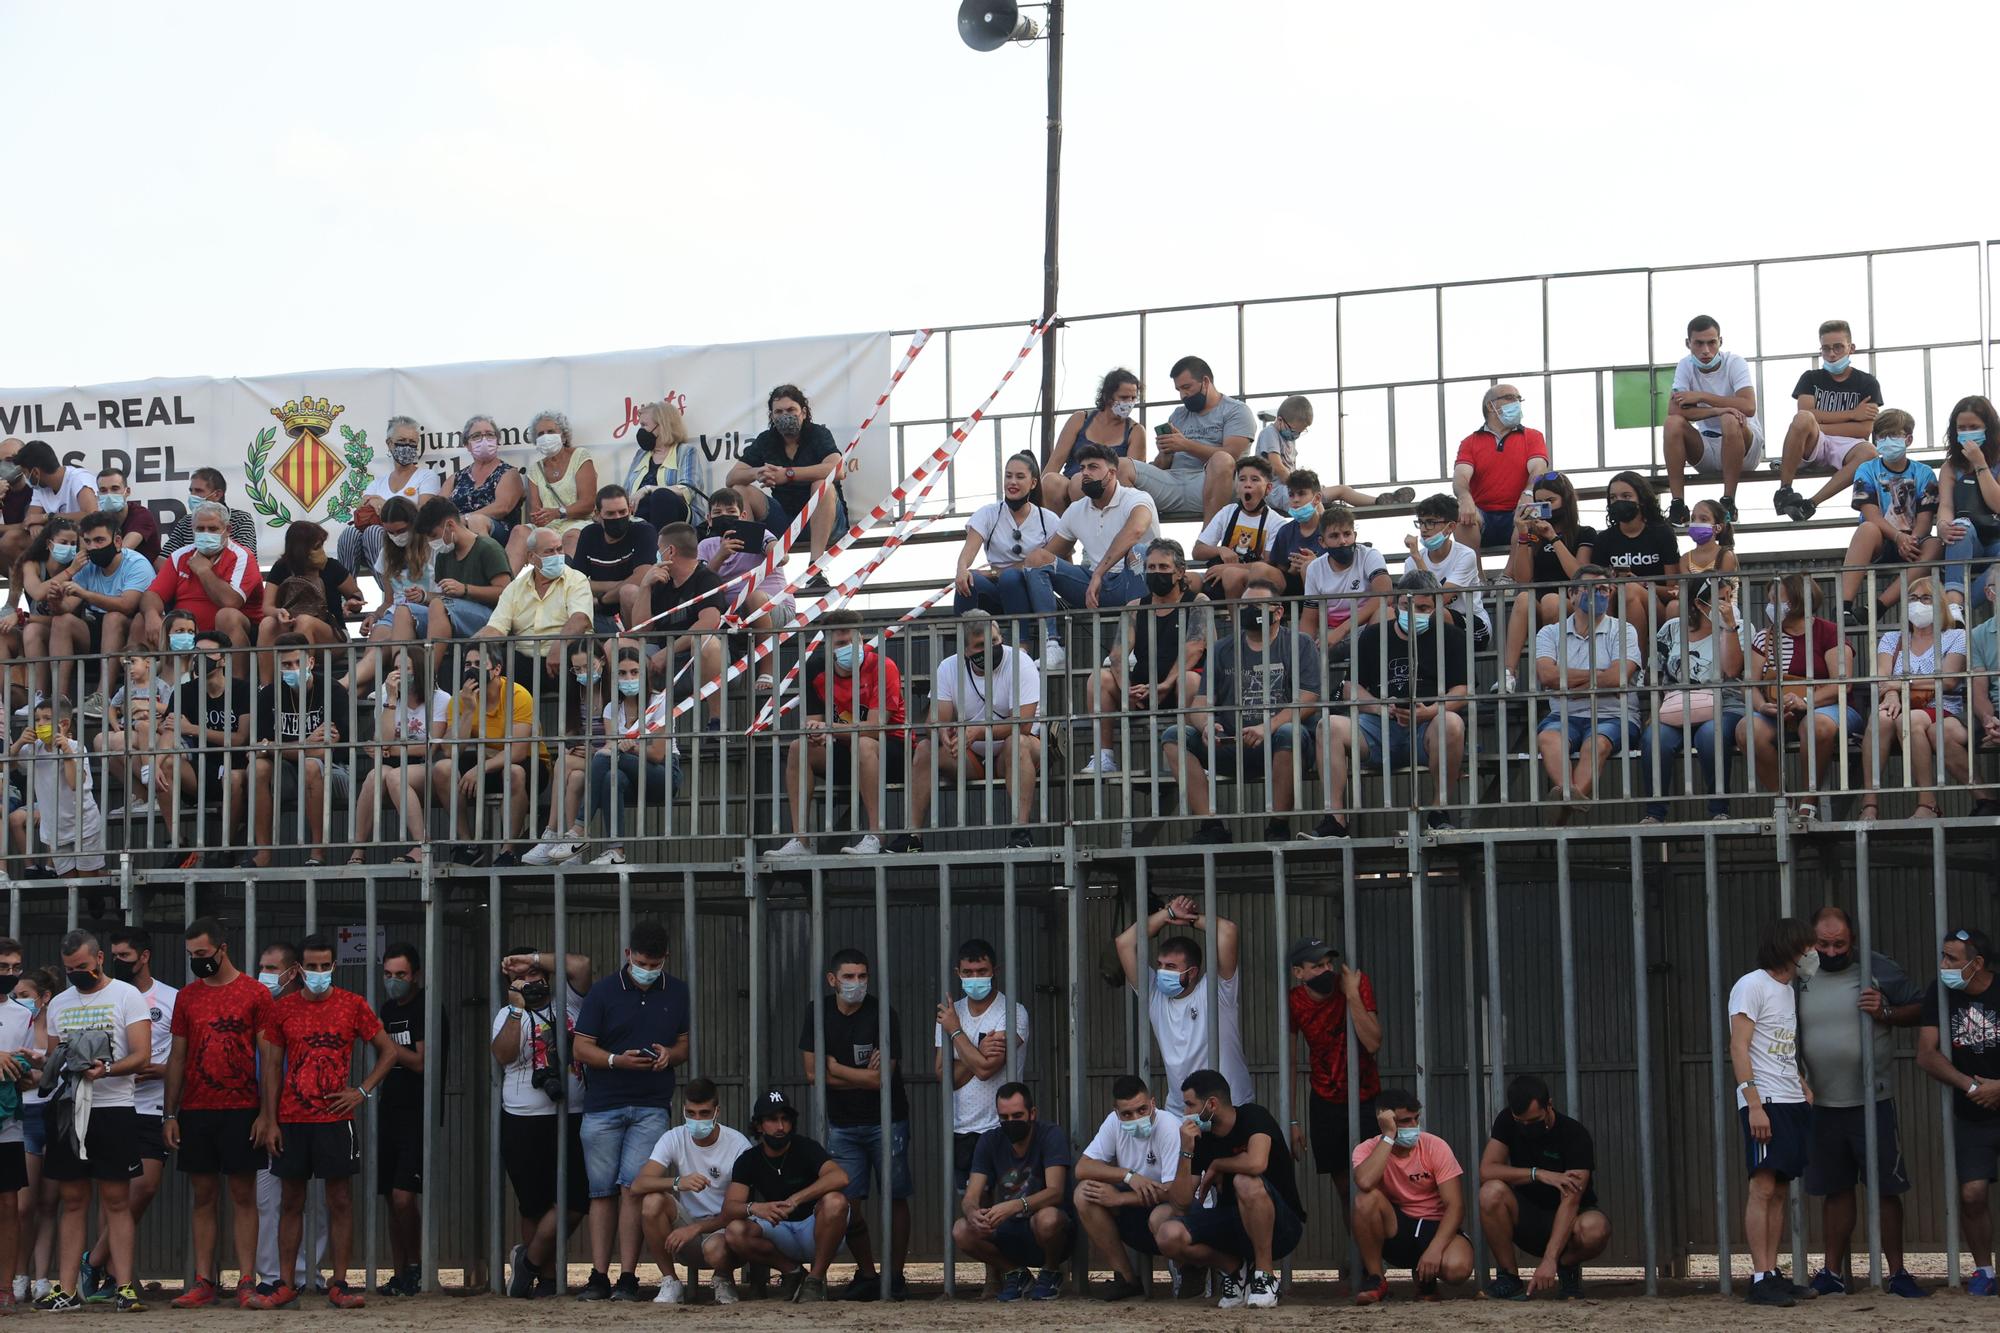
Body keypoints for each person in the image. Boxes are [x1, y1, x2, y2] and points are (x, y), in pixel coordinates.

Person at [257, 933, 397, 1309]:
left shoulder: (353, 1005)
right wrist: (270, 1119)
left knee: (339, 1200)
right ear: (299, 969)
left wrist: (362, 1091)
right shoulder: (282, 1009)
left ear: (334, 966)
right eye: (311, 966)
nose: (318, 973)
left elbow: (388, 1051)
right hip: (291, 1119)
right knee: (291, 1200)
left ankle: (339, 1283)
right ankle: (286, 1283)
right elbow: (271, 1067)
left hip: (337, 1118)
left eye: (324, 966)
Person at [1795, 907, 1926, 1298]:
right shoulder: (1800, 972)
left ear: (1854, 940)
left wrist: (1887, 1012)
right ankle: (1833, 1273)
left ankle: (1898, 1273)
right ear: (1810, 941)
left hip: (1873, 1100)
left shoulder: (1878, 968)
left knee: (1885, 1189)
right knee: (1834, 1190)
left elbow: (1921, 1007)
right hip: (1820, 1103)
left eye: (1840, 944)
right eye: (1823, 944)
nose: (1832, 951)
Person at [569, 921, 691, 1302]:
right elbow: (580, 1048)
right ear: (628, 956)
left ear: (665, 960)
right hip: (603, 1105)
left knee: (633, 1190)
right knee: (602, 1192)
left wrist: (671, 1055)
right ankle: (599, 1276)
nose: (648, 970)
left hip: (652, 1105)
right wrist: (614, 1060)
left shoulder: (679, 991)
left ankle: (627, 1277)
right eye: (641, 962)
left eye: (654, 965)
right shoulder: (604, 991)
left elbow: (684, 1044)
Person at [36, 929, 152, 1313]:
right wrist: (39, 1066)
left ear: (100, 958)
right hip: (70, 1110)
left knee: (117, 1200)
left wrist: (108, 1070)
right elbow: (54, 1059)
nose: (77, 974)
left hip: (113, 1108)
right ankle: (66, 1290)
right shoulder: (59, 1003)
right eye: (70, 969)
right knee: (72, 1200)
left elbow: (142, 1056)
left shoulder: (126, 995)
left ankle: (125, 1287)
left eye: (83, 967)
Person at [1158, 578, 1322, 844]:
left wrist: (1267, 726)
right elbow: (1199, 705)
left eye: (1256, 605)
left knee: (1290, 732)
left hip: (1280, 742)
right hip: (1230, 743)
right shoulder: (1222, 649)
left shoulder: (1299, 644)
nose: (1248, 611)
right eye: (1244, 605)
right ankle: (1212, 826)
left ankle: (1277, 826)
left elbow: (1308, 698)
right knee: (1173, 735)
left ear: (1278, 611)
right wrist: (1206, 726)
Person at [165, 918, 275, 1309]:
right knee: (203, 1195)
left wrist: (267, 1113)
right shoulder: (187, 997)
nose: (198, 961)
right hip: (196, 1108)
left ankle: (247, 1280)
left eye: (203, 954)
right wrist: (170, 1113)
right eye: (192, 955)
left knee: (243, 1194)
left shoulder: (255, 994)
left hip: (242, 1108)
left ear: (222, 948)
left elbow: (268, 1056)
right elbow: (176, 1057)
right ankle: (203, 1279)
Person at [1318, 570, 1469, 838]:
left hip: (1428, 728)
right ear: (1396, 603)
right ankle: (1335, 820)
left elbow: (1463, 689)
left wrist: (1429, 712)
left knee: (1452, 723)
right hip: (1377, 726)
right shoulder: (1373, 636)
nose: (1414, 612)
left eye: (1423, 607)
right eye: (1407, 606)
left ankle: (1439, 811)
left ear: (1435, 606)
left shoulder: (1451, 636)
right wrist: (1380, 707)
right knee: (1327, 726)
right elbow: (1351, 687)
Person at [799, 948, 911, 1300]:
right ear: (832, 980)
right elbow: (811, 1074)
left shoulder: (882, 1013)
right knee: (848, 1201)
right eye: (849, 977)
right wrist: (858, 1075)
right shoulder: (818, 1013)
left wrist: (834, 1067)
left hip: (887, 1120)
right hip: (842, 1123)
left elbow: (882, 1081)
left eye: (862, 976)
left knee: (895, 1196)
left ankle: (895, 1277)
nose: (857, 984)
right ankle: (867, 1274)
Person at [76, 930, 175, 1304]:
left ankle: (95, 1258)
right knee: (113, 1195)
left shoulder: (170, 998)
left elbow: (182, 1054)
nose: (119, 961)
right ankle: (115, 1278)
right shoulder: (106, 994)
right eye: (114, 955)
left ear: (145, 956)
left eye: (126, 955)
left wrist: (164, 1070)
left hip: (150, 1107)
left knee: (144, 1187)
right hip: (112, 1104)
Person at [892, 612, 1043, 853]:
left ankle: (1021, 831)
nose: (989, 649)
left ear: (1000, 637)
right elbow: (936, 719)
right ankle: (912, 836)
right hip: (971, 753)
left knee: (1017, 741)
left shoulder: (1020, 662)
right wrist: (941, 732)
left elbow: (1023, 724)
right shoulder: (948, 667)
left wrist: (979, 732)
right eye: (980, 646)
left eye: (993, 642)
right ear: (964, 650)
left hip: (1019, 749)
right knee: (924, 748)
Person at [1155, 1069, 1304, 1310]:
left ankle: (1264, 1276)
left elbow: (1257, 1163)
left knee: (1245, 1181)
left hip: (1281, 1225)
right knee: (1167, 1235)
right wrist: (1186, 1151)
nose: (1185, 1114)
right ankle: (1236, 1272)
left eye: (1190, 1105)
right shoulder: (1200, 1138)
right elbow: (1181, 1202)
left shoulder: (1253, 1116)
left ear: (1211, 1104)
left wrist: (1218, 1164)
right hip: (1234, 1224)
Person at [492, 946, 593, 1299]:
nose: (530, 981)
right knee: (534, 1204)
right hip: (523, 1118)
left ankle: (529, 1261)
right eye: (520, 977)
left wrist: (532, 960)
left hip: (573, 1113)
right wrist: (518, 1010)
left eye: (535, 975)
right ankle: (546, 1279)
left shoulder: (569, 1003)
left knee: (577, 1200)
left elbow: (580, 964)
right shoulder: (507, 1013)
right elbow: (503, 1055)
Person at [1728, 915, 1818, 1308]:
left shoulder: (1788, 990)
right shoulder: (1752, 985)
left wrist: (1800, 1081)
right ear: (1789, 948)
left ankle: (1773, 1272)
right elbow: (1739, 1047)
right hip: (1765, 1102)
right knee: (1762, 1186)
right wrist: (1754, 1105)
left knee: (1780, 1188)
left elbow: (1778, 1044)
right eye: (1807, 947)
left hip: (1790, 1100)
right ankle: (1760, 1276)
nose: (1812, 954)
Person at [772, 611, 906, 857]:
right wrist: (817, 733)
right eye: (840, 644)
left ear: (861, 639)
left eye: (851, 642)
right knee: (798, 748)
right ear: (828, 645)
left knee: (864, 743)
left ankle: (875, 836)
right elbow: (813, 722)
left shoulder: (883, 666)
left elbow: (877, 728)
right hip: (844, 749)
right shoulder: (815, 668)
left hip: (891, 750)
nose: (848, 648)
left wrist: (830, 730)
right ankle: (801, 841)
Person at [1077, 539, 1209, 776]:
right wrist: (1127, 688)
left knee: (1189, 680)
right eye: (1151, 568)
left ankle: (1196, 757)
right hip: (1142, 690)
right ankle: (1104, 756)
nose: (1156, 573)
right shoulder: (1135, 607)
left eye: (1163, 568)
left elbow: (1195, 647)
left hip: (1181, 687)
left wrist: (1165, 685)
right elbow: (1117, 655)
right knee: (1099, 678)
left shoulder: (1197, 602)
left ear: (1179, 572)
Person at [1917, 927, 2000, 1296]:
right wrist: (1972, 1087)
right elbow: (1927, 1053)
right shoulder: (1941, 992)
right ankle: (1984, 1271)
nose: (1943, 965)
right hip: (1973, 1112)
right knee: (1972, 1194)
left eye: (1952, 958)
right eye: (1944, 956)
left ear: (1977, 963)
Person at [1477, 1075, 1609, 1301]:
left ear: (1549, 1105)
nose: (1528, 1127)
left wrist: (1549, 1258)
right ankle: (1509, 1278)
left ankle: (1566, 1267)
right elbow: (1487, 1170)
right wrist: (1539, 1174)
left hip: (1570, 1219)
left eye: (1534, 1121)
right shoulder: (1507, 1121)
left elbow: (1571, 1201)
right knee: (1490, 1192)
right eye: (1522, 1122)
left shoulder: (1575, 1135)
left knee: (1596, 1228)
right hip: (1527, 1217)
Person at [1739, 571, 1858, 821]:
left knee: (1817, 725)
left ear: (1796, 601)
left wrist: (1806, 702)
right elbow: (1749, 684)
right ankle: (1782, 798)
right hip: (1779, 709)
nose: (1771, 607)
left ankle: (1809, 800)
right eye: (1770, 601)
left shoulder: (1829, 632)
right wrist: (1762, 707)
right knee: (1746, 730)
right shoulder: (1764, 637)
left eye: (1777, 601)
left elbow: (1842, 684)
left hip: (1830, 707)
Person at [1114, 896, 1252, 1105]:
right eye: (1159, 965)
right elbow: (1124, 943)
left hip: (1231, 1104)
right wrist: (1167, 914)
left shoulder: (1217, 991)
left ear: (1193, 972)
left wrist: (1189, 918)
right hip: (1182, 1110)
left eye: (1170, 967)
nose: (1161, 971)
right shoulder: (1154, 996)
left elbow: (1228, 931)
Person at [1286, 938, 1382, 1235]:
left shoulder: (1354, 983)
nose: (1327, 970)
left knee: (1375, 1184)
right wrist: (1292, 1118)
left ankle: (1387, 1260)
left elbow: (1372, 1042)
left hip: (1366, 1096)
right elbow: (1289, 1060)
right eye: (1317, 966)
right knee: (1344, 1187)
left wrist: (1352, 995)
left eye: (1329, 963)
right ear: (1299, 973)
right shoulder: (1295, 1001)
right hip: (1325, 1099)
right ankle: (1362, 1262)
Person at [718, 1089, 850, 1303]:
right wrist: (755, 1207)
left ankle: (815, 1281)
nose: (780, 1127)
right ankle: (794, 1273)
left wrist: (796, 1199)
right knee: (735, 1231)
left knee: (836, 1201)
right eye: (772, 1120)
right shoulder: (749, 1159)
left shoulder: (806, 1147)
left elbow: (840, 1177)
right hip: (779, 1230)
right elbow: (729, 1209)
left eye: (785, 1119)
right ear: (759, 1125)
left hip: (815, 1229)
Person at [1534, 565, 1644, 813]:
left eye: (1603, 589)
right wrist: (1598, 678)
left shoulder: (1623, 630)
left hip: (1614, 716)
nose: (1598, 594)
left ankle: (1564, 804)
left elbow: (1618, 678)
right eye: (1590, 588)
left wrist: (1569, 688)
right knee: (1548, 738)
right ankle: (1570, 797)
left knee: (1596, 744)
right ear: (1571, 595)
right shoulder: (1550, 633)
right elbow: (1548, 676)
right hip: (1564, 716)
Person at [249, 943, 326, 1295]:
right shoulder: (260, 1012)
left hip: (312, 1116)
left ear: (292, 971)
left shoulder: (308, 1009)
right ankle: (272, 1277)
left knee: (317, 1202)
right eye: (260, 967)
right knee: (269, 1202)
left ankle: (310, 1276)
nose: (263, 975)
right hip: (269, 1117)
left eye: (270, 967)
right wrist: (266, 1116)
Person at [633, 1078, 752, 1304]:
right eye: (691, 1113)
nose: (697, 1120)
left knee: (718, 1247)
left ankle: (723, 1278)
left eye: (704, 1113)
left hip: (725, 1232)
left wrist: (697, 1228)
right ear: (683, 1110)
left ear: (718, 1111)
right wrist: (678, 1182)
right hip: (685, 1233)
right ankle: (671, 1281)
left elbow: (737, 1211)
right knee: (652, 1201)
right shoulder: (674, 1137)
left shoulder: (738, 1145)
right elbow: (639, 1184)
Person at [1019, 442, 1160, 631]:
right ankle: (1050, 643)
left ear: (1112, 473)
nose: (1085, 473)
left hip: (1132, 583)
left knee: (1140, 551)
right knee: (1036, 558)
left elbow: (1134, 533)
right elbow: (1049, 555)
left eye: (1093, 467)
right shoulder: (1076, 510)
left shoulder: (1137, 498)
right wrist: (994, 573)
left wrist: (1099, 573)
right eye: (1082, 468)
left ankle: (1135, 639)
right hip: (1093, 589)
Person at [1857, 575, 1967, 821]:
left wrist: (1900, 684)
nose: (1919, 604)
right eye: (1913, 598)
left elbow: (1948, 681)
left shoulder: (1955, 636)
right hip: (1896, 702)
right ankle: (1870, 803)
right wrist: (1893, 692)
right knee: (1880, 719)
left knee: (1911, 719)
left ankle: (1928, 803)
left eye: (1926, 598)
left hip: (1941, 705)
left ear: (1939, 603)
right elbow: (1882, 675)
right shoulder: (1891, 639)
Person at [1350, 1089, 1474, 1304]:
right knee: (1364, 1199)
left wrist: (1435, 1250)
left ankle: (1427, 1281)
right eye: (1404, 1121)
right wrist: (1388, 1136)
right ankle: (1376, 1280)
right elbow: (1365, 1182)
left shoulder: (1436, 1146)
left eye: (1416, 1119)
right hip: (1397, 1228)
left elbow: (1456, 1206)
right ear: (1385, 1121)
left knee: (1458, 1269)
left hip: (1435, 1227)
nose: (1413, 1126)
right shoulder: (1366, 1149)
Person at [954, 1082, 1073, 1302]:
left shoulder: (1050, 1135)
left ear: (1032, 1113)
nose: (1010, 1123)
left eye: (1017, 1115)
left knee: (1048, 1218)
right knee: (961, 1230)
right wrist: (972, 1213)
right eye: (1004, 1117)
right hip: (1008, 1226)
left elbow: (1055, 1192)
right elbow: (971, 1196)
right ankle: (1016, 1273)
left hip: (1045, 1228)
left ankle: (1051, 1271)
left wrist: (1016, 1205)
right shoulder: (989, 1140)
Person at [1639, 573, 1743, 822]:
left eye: (1730, 598)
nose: (1728, 605)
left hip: (1725, 704)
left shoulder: (1739, 627)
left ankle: (1719, 810)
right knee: (1654, 740)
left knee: (1710, 735)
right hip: (1677, 706)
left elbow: (1732, 670)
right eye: (1721, 599)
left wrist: (1729, 627)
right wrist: (1655, 712)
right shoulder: (1671, 629)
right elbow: (1653, 675)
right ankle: (1655, 813)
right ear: (1699, 603)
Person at [243, 635, 351, 869]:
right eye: (286, 665)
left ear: (310, 662)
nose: (293, 669)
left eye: (297, 663)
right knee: (257, 768)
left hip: (334, 772)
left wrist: (275, 748)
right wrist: (305, 744)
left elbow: (325, 752)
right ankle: (263, 852)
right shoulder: (269, 695)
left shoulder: (332, 691)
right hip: (288, 772)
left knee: (311, 765)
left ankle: (318, 851)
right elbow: (257, 749)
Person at [1073, 1075, 1183, 1302]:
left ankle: (1187, 1270)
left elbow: (1173, 1192)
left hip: (1169, 1212)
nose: (1136, 1118)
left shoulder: (1170, 1127)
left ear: (1153, 1103)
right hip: (1135, 1211)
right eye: (1127, 1114)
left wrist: (1120, 1199)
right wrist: (1128, 1176)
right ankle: (1127, 1279)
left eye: (1142, 1110)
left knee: (1159, 1216)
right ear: (1116, 1112)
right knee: (1084, 1193)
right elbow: (1082, 1168)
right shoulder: (1113, 1124)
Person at [933, 940, 1031, 1196]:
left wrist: (955, 1033)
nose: (975, 978)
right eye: (968, 973)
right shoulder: (950, 1014)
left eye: (982, 972)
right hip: (962, 1130)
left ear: (995, 971)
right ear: (958, 973)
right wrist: (976, 1052)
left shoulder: (1012, 1013)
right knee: (974, 1212)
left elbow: (988, 1069)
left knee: (1012, 1208)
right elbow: (944, 1077)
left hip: (1004, 1127)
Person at [434, 642, 545, 867]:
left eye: (479, 664)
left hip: (527, 764)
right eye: (467, 665)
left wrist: (480, 769)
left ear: (496, 669)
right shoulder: (461, 699)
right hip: (485, 761)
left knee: (513, 771)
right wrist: (469, 711)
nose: (472, 669)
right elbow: (449, 750)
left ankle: (508, 851)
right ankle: (467, 844)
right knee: (442, 768)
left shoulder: (517, 694)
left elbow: (518, 750)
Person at [376, 943, 443, 1297]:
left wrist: (385, 1044)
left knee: (405, 1196)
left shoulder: (426, 1008)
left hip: (419, 1112)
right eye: (387, 975)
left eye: (400, 975)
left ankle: (418, 1267)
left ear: (415, 974)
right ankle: (399, 1272)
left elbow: (420, 1062)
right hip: (390, 1110)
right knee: (390, 1196)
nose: (393, 981)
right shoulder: (387, 1009)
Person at [1775, 321, 1888, 522]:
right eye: (1826, 348)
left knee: (1870, 451)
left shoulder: (1867, 382)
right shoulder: (1810, 378)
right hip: (1814, 441)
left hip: (1846, 445)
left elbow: (1863, 430)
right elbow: (1805, 414)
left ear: (1851, 348)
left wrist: (1820, 424)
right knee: (1803, 419)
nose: (1832, 354)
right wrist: (1853, 413)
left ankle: (1810, 504)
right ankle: (1784, 490)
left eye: (1838, 347)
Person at [1838, 408, 1942, 627]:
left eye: (1893, 435)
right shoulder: (1866, 469)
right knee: (1867, 529)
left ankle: (1876, 607)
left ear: (1908, 439)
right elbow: (1870, 514)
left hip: (1914, 542)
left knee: (1934, 545)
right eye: (1881, 436)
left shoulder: (1925, 473)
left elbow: (1925, 519)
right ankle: (1844, 606)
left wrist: (1910, 540)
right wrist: (1897, 538)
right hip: (1881, 540)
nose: (1886, 441)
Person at [728, 384, 844, 574]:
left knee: (822, 484)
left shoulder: (818, 434)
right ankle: (747, 568)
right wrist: (757, 472)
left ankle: (815, 569)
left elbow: (838, 470)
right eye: (779, 412)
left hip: (825, 521)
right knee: (740, 489)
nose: (785, 415)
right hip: (785, 522)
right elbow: (731, 477)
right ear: (772, 416)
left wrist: (788, 474)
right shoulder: (766, 439)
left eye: (791, 410)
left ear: (803, 412)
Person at [1125, 356, 1256, 522]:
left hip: (1211, 483)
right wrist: (1166, 452)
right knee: (1122, 465)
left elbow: (1233, 455)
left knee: (1222, 459)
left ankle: (1207, 539)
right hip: (1173, 482)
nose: (1183, 395)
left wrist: (1186, 445)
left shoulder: (1236, 411)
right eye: (1178, 390)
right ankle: (1141, 543)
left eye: (1186, 387)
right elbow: (1162, 466)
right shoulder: (1178, 414)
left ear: (1206, 382)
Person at [957, 453, 1062, 662]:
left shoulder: (1048, 519)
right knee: (969, 581)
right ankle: (963, 653)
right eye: (1008, 476)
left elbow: (1057, 562)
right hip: (997, 593)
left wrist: (996, 572)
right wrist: (962, 569)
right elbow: (968, 551)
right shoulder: (988, 513)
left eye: (1020, 477)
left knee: (1010, 578)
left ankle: (1021, 647)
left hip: (1032, 595)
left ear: (1033, 483)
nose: (1012, 482)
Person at [349, 651, 449, 866]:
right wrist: (392, 700)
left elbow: (428, 748)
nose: (399, 673)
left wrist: (391, 749)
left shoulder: (441, 699)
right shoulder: (385, 697)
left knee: (396, 776)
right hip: (392, 764)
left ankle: (422, 845)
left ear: (420, 671)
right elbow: (382, 741)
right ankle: (358, 848)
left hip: (426, 768)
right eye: (395, 668)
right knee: (374, 776)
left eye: (406, 668)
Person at [1498, 472, 1594, 692]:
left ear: (1566, 501)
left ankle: (1557, 671)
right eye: (1540, 502)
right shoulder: (1534, 536)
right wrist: (1523, 536)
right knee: (1523, 597)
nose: (1546, 507)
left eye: (1550, 501)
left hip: (1574, 600)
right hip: (1540, 600)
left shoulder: (1584, 533)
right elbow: (1523, 579)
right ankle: (1508, 674)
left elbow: (1578, 576)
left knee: (1552, 600)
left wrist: (1554, 538)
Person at [49, 511, 151, 716]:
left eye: (99, 540)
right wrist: (56, 601)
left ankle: (102, 697)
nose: (93, 547)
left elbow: (128, 606)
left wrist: (86, 593)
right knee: (62, 620)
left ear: (118, 541)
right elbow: (67, 607)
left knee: (113, 617)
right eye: (87, 541)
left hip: (131, 634)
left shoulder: (137, 564)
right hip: (96, 630)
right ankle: (60, 700)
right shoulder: (86, 565)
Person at [1663, 315, 1763, 525]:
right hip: (1707, 447)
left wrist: (1703, 397)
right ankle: (1678, 504)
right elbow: (1674, 411)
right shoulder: (1685, 365)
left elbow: (1748, 407)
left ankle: (1728, 501)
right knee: (1672, 424)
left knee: (1729, 419)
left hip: (1744, 447)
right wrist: (1718, 410)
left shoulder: (1734, 362)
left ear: (1720, 342)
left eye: (1711, 342)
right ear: (1688, 344)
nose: (1706, 350)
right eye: (1699, 343)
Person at [625, 523, 725, 726]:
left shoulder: (707, 578)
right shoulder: (661, 581)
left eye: (659, 549)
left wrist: (669, 651)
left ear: (670, 550)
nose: (656, 554)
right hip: (659, 663)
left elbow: (709, 622)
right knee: (618, 647)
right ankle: (630, 723)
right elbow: (641, 629)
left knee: (707, 642)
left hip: (698, 662)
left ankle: (716, 722)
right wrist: (645, 587)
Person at [477, 526, 593, 687]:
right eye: (549, 551)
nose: (557, 556)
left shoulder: (576, 579)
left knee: (577, 659)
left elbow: (580, 619)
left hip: (566, 655)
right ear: (531, 557)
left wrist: (559, 645)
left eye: (559, 549)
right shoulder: (515, 588)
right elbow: (496, 628)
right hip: (525, 659)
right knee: (487, 663)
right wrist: (473, 649)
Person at [139, 501, 263, 648]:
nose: (206, 533)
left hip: (231, 632)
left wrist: (204, 571)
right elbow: (152, 595)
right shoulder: (180, 555)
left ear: (228, 530)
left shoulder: (242, 556)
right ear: (193, 530)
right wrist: (151, 615)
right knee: (141, 620)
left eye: (212, 529)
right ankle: (143, 669)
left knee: (227, 616)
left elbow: (231, 602)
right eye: (200, 529)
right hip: (185, 629)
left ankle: (235, 672)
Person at [695, 487, 789, 674]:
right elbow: (700, 584)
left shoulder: (759, 534)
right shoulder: (705, 546)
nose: (725, 516)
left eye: (731, 512)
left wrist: (771, 548)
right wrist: (720, 555)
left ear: (743, 515)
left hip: (772, 608)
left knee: (754, 598)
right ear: (709, 519)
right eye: (718, 512)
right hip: (731, 616)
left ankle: (767, 669)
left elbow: (783, 557)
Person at [7, 701, 104, 878]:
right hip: (55, 829)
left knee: (87, 881)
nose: (40, 724)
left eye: (47, 719)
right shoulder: (34, 748)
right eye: (37, 719)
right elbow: (6, 764)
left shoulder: (75, 747)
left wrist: (66, 751)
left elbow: (74, 783)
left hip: (84, 825)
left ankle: (99, 898)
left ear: (64, 724)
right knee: (69, 882)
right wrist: (20, 742)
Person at [336, 416, 440, 575]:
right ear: (390, 443)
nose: (407, 446)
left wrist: (382, 503)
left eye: (412, 442)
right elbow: (362, 511)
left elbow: (422, 515)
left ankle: (391, 593)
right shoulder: (377, 483)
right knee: (350, 533)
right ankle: (351, 593)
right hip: (375, 547)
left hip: (410, 543)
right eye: (402, 440)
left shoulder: (427, 476)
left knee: (373, 532)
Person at [1453, 383, 1551, 548]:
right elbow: (1461, 476)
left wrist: (1528, 491)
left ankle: (1509, 574)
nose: (1516, 402)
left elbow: (1538, 468)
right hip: (1481, 514)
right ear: (1490, 406)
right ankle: (1475, 574)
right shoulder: (1470, 442)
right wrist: (1464, 498)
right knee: (1461, 515)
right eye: (1509, 397)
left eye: (1519, 398)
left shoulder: (1533, 436)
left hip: (1518, 511)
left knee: (1528, 516)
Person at [410, 495, 510, 652]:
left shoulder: (488, 548)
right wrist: (424, 596)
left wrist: (465, 589)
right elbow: (449, 598)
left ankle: (430, 674)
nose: (431, 542)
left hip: (492, 620)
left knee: (438, 605)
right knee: (404, 611)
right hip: (456, 613)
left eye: (434, 536)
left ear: (450, 525)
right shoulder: (444, 555)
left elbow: (506, 592)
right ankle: (400, 671)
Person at [1043, 369, 1144, 515]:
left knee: (1080, 482)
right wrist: (1033, 496)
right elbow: (1055, 461)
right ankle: (1058, 532)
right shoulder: (1079, 419)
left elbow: (1132, 477)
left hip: (1109, 489)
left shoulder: (1135, 431)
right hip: (1071, 482)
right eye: (1123, 397)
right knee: (1050, 481)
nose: (1129, 403)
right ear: (1107, 396)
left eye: (1133, 398)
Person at [1592, 471, 1681, 635]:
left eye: (1626, 496)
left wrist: (1643, 584)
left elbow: (1673, 591)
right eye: (1613, 498)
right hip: (1616, 607)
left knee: (1631, 589)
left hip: (1657, 609)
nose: (1618, 502)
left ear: (1642, 500)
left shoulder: (1662, 533)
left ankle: (1635, 659)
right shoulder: (1603, 539)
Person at [1191, 455, 1291, 600]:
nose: (1247, 484)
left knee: (1232, 575)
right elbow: (1197, 551)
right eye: (1242, 479)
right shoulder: (1227, 512)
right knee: (1186, 580)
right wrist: (1220, 549)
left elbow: (1269, 563)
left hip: (1257, 580)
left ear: (1268, 488)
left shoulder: (1276, 522)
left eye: (1255, 480)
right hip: (1220, 575)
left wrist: (1227, 569)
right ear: (1237, 487)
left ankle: (1238, 622)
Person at [1295, 498, 1390, 648]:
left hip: (1364, 631)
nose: (1342, 541)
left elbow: (1385, 595)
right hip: (1329, 636)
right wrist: (1304, 650)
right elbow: (1309, 618)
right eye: (1334, 536)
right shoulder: (1314, 568)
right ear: (1322, 542)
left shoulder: (1369, 555)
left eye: (1347, 534)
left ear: (1355, 536)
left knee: (1388, 613)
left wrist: (1342, 630)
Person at [1938, 395, 2000, 624]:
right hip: (1969, 536)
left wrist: (1980, 463)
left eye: (1974, 427)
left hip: (1996, 536)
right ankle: (1953, 601)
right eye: (1961, 428)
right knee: (1958, 527)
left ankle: (1961, 608)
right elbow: (1946, 506)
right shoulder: (1950, 466)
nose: (1967, 432)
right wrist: (1942, 526)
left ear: (1989, 428)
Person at [258, 520, 364, 654]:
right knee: (267, 623)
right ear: (301, 550)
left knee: (304, 621)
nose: (321, 551)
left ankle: (304, 674)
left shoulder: (332, 567)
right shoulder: (281, 567)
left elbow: (356, 593)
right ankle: (268, 675)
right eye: (316, 547)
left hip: (333, 636)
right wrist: (279, 613)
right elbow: (267, 607)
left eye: (322, 546)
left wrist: (354, 601)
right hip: (289, 629)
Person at [509, 410, 597, 569]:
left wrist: (557, 513)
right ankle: (505, 589)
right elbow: (535, 512)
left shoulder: (580, 456)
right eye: (540, 434)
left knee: (572, 536)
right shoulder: (535, 470)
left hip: (578, 522)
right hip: (547, 527)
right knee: (519, 531)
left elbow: (588, 503)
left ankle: (564, 585)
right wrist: (539, 518)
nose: (545, 437)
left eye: (550, 431)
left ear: (563, 436)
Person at [564, 485, 656, 634]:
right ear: (597, 515)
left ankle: (635, 648)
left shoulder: (644, 531)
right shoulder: (589, 534)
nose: (617, 517)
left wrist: (603, 599)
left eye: (622, 512)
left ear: (630, 510)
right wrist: (621, 584)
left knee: (629, 591)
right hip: (599, 615)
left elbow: (641, 578)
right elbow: (577, 582)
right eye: (611, 514)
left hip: (627, 610)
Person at [1404, 493, 1490, 648]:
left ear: (1450, 527)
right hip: (1428, 622)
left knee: (1438, 614)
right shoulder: (1411, 560)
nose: (1423, 529)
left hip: (1473, 625)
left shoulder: (1465, 555)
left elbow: (1438, 600)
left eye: (1430, 522)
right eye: (1421, 523)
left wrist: (1418, 558)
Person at [0, 942, 35, 1313]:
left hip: (7, 1121)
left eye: (15, 967)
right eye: (3, 966)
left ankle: (5, 1287)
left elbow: (32, 1072)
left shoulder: (21, 1013)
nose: (10, 974)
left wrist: (27, 1074)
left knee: (8, 1205)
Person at [623, 398, 710, 527]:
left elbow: (688, 489)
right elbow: (626, 490)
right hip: (640, 516)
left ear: (662, 425)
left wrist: (648, 489)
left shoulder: (685, 451)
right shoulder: (640, 454)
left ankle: (661, 545)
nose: (640, 430)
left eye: (644, 425)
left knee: (661, 496)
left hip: (680, 519)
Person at [447, 414, 527, 550]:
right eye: (477, 436)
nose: (484, 440)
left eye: (490, 435)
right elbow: (439, 506)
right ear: (467, 444)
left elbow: (502, 507)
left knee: (476, 521)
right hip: (457, 529)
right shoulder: (456, 477)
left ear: (497, 441)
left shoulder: (508, 473)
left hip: (498, 532)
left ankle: (489, 567)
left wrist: (464, 519)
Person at [160, 467, 260, 558]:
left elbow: (245, 560)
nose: (192, 496)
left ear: (217, 494)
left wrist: (203, 568)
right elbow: (164, 559)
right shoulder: (186, 522)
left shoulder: (241, 520)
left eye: (198, 491)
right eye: (191, 491)